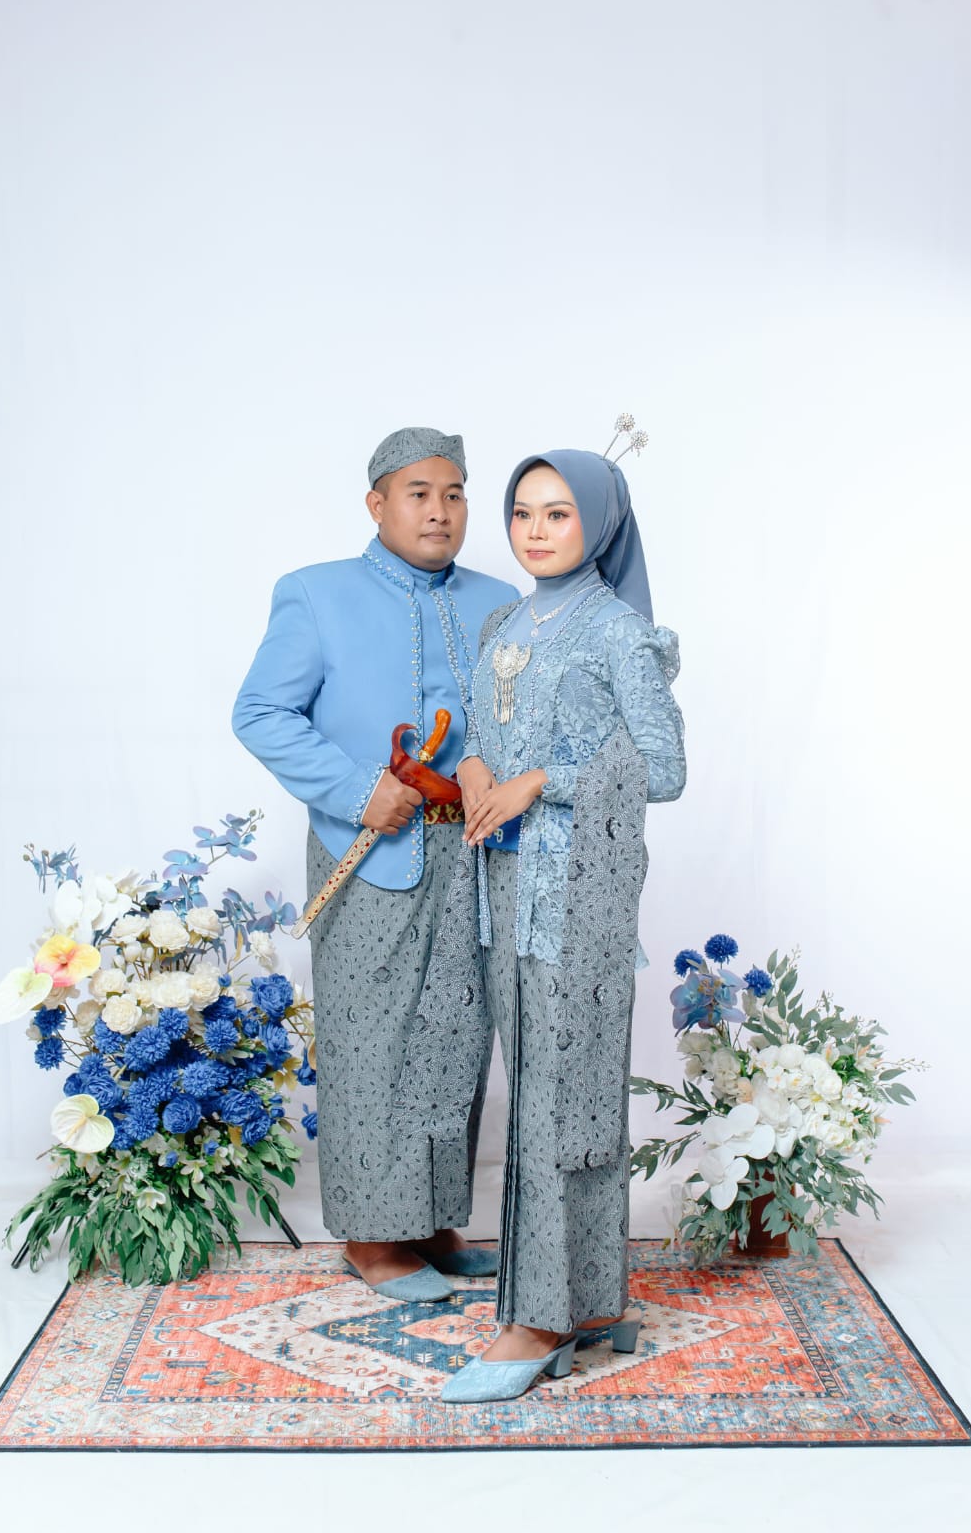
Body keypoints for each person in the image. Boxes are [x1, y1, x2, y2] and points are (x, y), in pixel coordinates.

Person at [232, 427, 517, 1303]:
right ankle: (370, 1236)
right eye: (419, 493)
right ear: (377, 504)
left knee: (455, 1039)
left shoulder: (501, 601)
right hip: (371, 853)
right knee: (372, 1039)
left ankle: (431, 1222)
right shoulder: (315, 593)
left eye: (454, 494)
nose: (439, 511)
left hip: (475, 853)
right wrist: (361, 790)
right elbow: (261, 713)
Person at [437, 447, 686, 1401]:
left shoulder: (620, 633)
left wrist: (541, 781)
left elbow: (663, 768)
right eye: (522, 513)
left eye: (558, 513)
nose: (535, 531)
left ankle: (536, 1323)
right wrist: (473, 770)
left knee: (560, 1103)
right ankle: (585, 1299)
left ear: (600, 523)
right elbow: (479, 732)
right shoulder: (504, 622)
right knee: (539, 1093)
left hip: (579, 901)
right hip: (503, 896)